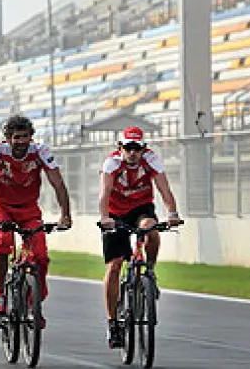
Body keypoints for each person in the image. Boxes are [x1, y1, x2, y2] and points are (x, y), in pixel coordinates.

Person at [0, 114, 73, 325]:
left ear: (31, 137)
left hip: (29, 209)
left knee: (40, 255)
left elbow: (58, 184)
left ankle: (33, 304)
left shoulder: (41, 151)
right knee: (3, 242)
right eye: (16, 137)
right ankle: (0, 294)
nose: (20, 142)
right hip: (2, 207)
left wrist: (65, 215)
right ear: (7, 139)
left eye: (25, 137)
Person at [97, 126, 183, 349]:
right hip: (115, 212)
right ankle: (112, 322)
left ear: (144, 148)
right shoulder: (112, 163)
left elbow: (165, 190)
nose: (133, 153)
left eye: (137, 148)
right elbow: (105, 193)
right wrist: (105, 217)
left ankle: (150, 271)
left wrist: (173, 213)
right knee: (114, 266)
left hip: (141, 209)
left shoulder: (151, 160)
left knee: (151, 229)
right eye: (128, 148)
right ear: (120, 148)